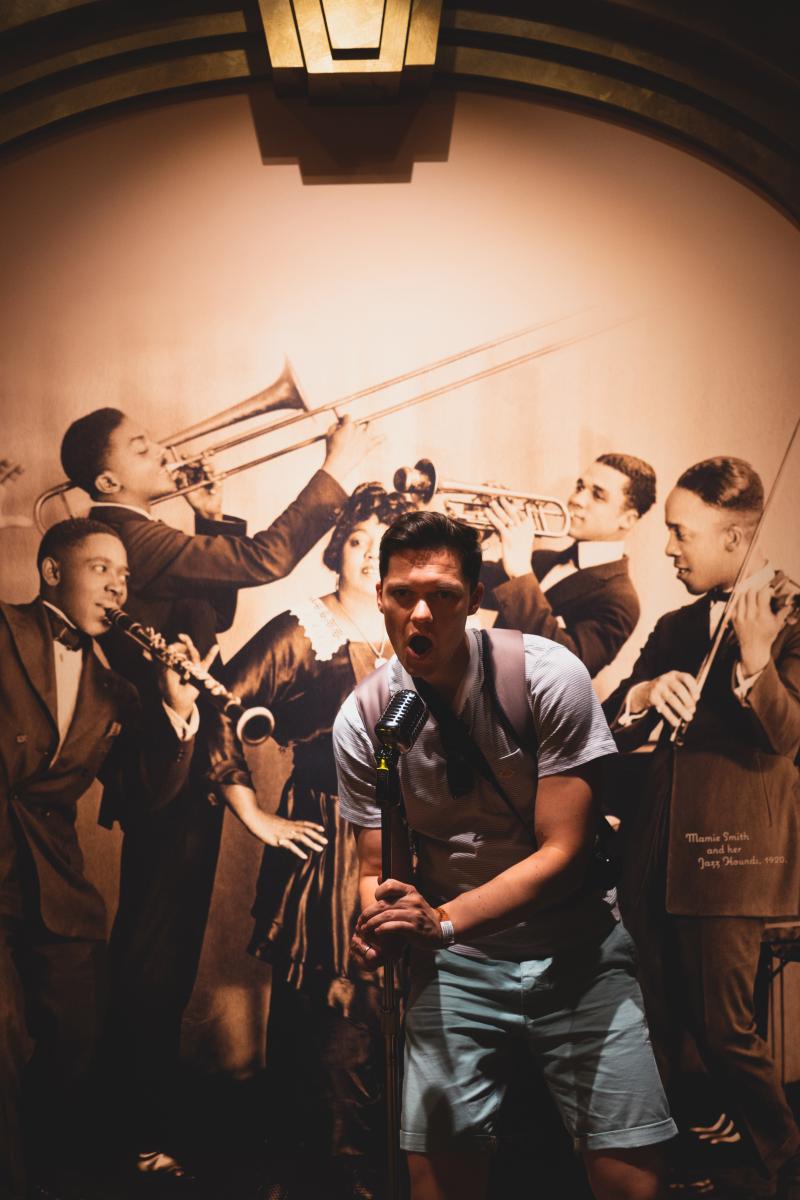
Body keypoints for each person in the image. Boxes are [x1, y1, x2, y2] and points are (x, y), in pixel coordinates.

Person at [58, 404, 377, 1180]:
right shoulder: (127, 535)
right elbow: (265, 561)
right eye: (140, 446)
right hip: (167, 771)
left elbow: (215, 608)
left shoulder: (146, 539)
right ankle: (126, 1138)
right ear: (107, 480)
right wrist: (335, 465)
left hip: (182, 766)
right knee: (153, 963)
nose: (162, 448)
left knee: (165, 963)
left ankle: (136, 1125)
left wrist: (209, 519)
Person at [332, 510, 676, 1200]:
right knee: (439, 1181)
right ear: (381, 597)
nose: (420, 613)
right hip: (456, 970)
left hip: (577, 956)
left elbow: (564, 851)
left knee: (628, 1179)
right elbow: (374, 870)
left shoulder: (546, 677)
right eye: (402, 594)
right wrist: (379, 922)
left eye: (443, 595)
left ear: (474, 598)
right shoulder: (367, 721)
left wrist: (441, 921)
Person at [205, 482, 414, 1199]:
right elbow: (219, 706)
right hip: (332, 842)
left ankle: (377, 1174)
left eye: (387, 546)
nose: (371, 557)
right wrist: (255, 815)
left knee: (398, 1015)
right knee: (332, 1012)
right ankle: (324, 1177)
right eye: (358, 541)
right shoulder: (302, 630)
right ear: (336, 548)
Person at [603, 456, 800, 1199]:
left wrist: (757, 657)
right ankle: (667, 1161)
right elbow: (615, 719)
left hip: (731, 851)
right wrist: (646, 692)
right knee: (647, 1016)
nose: (669, 548)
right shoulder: (678, 624)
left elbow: (789, 736)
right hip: (653, 844)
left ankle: (783, 1157)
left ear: (735, 537)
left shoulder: (793, 618)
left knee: (723, 1029)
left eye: (682, 533)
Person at [0, 517, 202, 1200]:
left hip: (53, 884)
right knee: (2, 1034)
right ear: (52, 572)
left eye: (125, 575)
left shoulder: (117, 688)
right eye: (100, 569)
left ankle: (55, 1176)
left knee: (80, 1033)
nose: (118, 587)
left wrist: (175, 712)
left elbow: (144, 799)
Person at [481, 453, 656, 677]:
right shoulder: (541, 560)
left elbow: (567, 668)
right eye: (580, 487)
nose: (577, 499)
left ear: (627, 519)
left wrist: (520, 572)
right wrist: (476, 534)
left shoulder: (621, 600)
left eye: (597, 495)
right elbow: (466, 588)